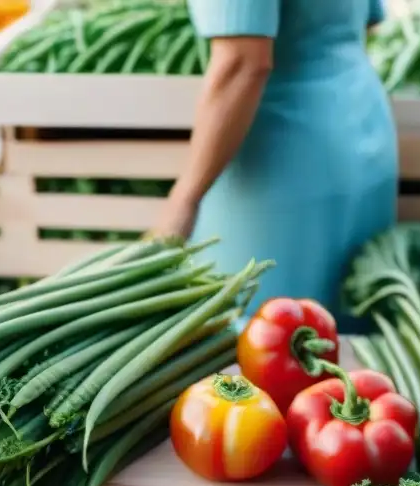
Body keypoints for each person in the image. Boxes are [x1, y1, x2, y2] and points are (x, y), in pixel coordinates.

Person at [154, 0, 396, 318]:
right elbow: (368, 20)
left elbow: (243, 62)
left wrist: (183, 200)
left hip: (284, 161)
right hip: (362, 127)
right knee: (348, 347)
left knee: (258, 336)